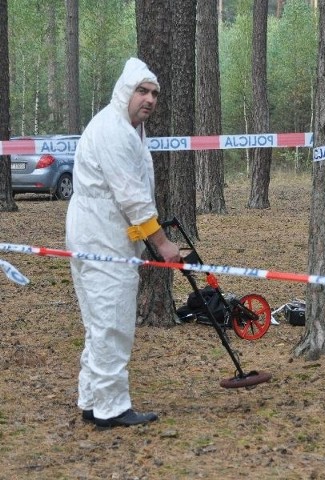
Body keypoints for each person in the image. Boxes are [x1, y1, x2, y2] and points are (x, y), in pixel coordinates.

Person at [66, 58, 181, 429]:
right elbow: (133, 199)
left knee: (99, 322)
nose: (148, 99)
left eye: (154, 94)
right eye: (141, 91)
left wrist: (139, 237)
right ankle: (111, 408)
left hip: (104, 233)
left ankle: (92, 398)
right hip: (100, 237)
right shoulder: (113, 130)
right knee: (111, 323)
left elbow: (128, 202)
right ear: (124, 92)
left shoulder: (129, 128)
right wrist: (162, 244)